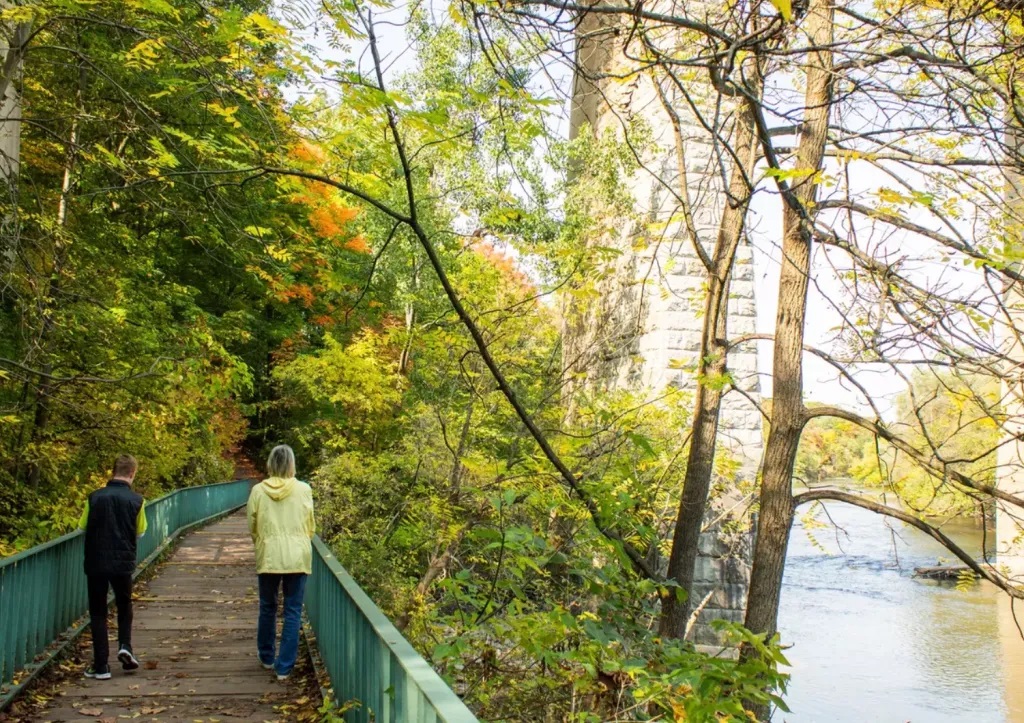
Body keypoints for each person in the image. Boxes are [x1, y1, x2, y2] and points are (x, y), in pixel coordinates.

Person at [247, 444, 314, 681]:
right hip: (297, 556)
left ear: (270, 463)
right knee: (293, 611)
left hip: (269, 555)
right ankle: (284, 667)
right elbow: (310, 525)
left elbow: (252, 525)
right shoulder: (304, 489)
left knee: (268, 607)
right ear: (291, 464)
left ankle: (266, 657)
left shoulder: (258, 490)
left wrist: (263, 542)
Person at [78, 454, 147, 680]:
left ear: (113, 471)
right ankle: (125, 646)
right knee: (124, 604)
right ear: (132, 473)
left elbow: (81, 527)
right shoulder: (137, 501)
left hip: (96, 562)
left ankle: (101, 667)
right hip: (123, 563)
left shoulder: (94, 497)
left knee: (98, 611)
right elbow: (141, 532)